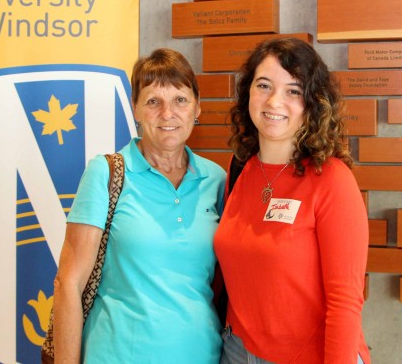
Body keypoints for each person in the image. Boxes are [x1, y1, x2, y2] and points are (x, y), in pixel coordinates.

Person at [52, 48, 226, 363]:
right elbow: (69, 283)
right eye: (153, 101)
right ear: (135, 109)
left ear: (197, 108)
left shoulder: (216, 180)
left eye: (180, 100)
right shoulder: (105, 173)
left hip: (202, 354)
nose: (167, 114)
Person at [214, 38, 370, 364]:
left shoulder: (332, 180)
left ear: (313, 103)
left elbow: (345, 301)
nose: (275, 101)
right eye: (264, 85)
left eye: (293, 91)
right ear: (248, 95)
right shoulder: (239, 169)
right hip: (238, 351)